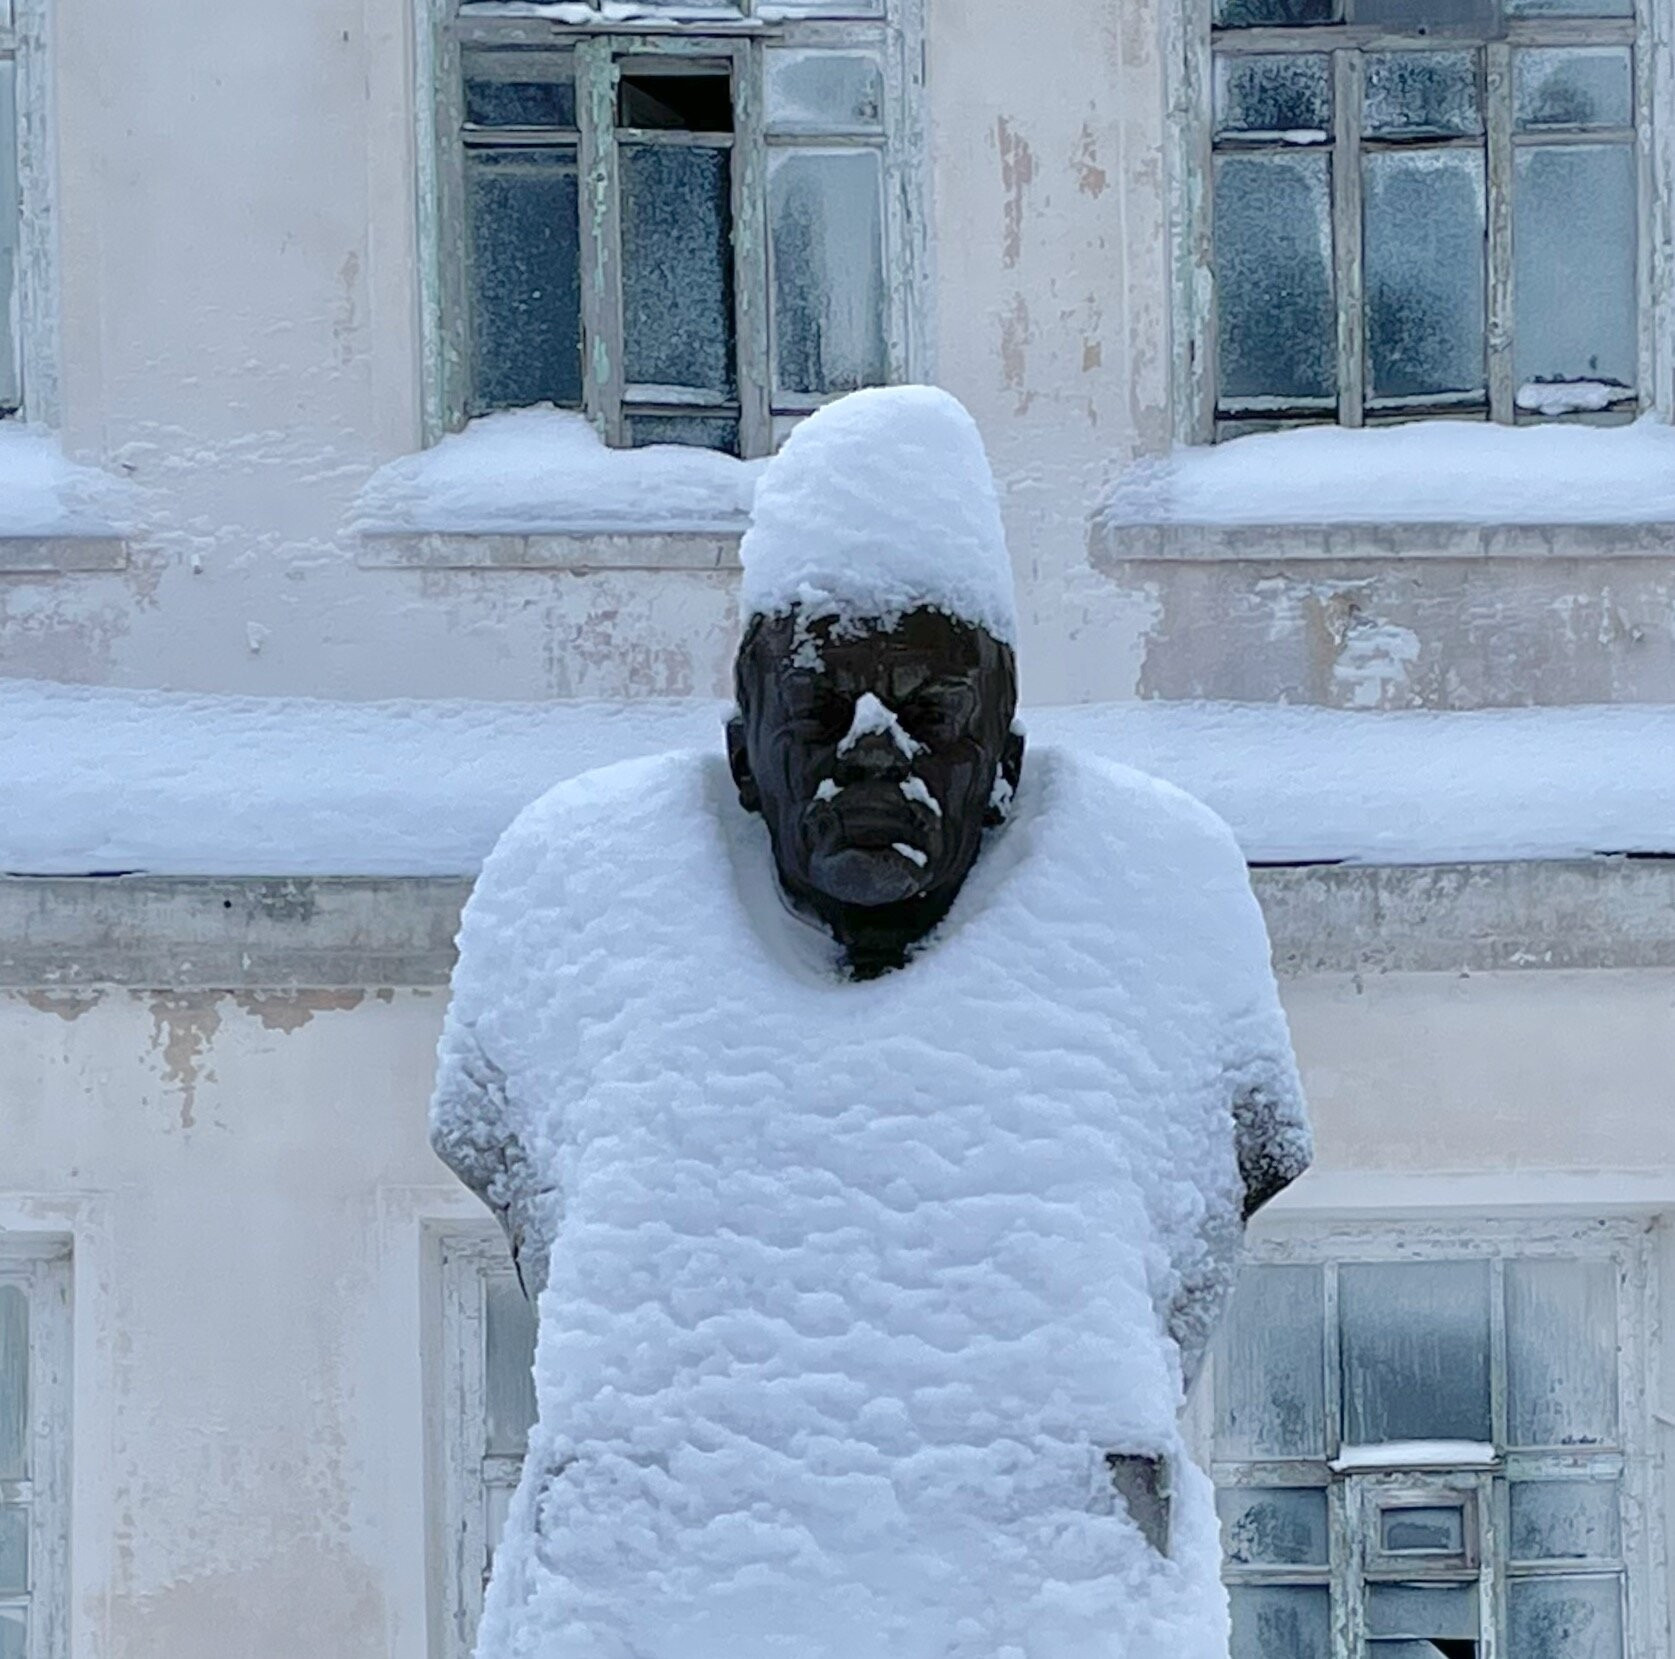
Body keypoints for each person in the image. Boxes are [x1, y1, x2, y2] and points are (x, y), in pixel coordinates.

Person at [431, 386, 1311, 1659]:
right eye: (819, 705)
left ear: (1002, 760)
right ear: (744, 753)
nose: (873, 749)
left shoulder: (1161, 905)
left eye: (928, 711)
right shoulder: (569, 895)